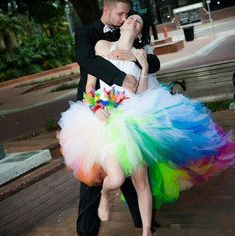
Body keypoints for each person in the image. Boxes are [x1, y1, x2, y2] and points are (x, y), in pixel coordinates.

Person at [58, 12, 235, 236]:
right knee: (117, 178)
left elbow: (141, 92)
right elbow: (89, 86)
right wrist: (95, 107)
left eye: (138, 21)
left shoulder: (141, 54)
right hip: (106, 121)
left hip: (134, 119)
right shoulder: (102, 46)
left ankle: (147, 230)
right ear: (121, 25)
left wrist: (142, 66)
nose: (132, 21)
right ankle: (104, 194)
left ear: (140, 31)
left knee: (141, 182)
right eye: (129, 18)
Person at [73, 0, 160, 235]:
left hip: (129, 114)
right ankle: (87, 230)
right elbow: (87, 61)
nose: (125, 19)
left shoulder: (138, 47)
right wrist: (119, 77)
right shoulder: (89, 36)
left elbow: (154, 63)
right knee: (93, 178)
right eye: (121, 15)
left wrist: (136, 60)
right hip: (98, 108)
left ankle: (145, 223)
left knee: (136, 173)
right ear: (106, 10)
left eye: (130, 16)